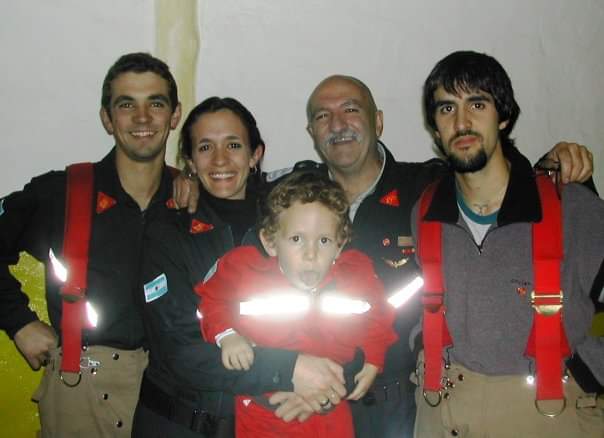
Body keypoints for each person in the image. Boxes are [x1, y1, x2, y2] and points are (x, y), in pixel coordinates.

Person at [262, 74, 596, 437]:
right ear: (311, 131)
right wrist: (190, 185)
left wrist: (552, 164)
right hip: (308, 397)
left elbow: (490, 175)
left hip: (405, 402)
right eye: (323, 116)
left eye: (351, 109)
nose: (338, 124)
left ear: (378, 121)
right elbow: (231, 190)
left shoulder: (428, 189)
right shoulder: (290, 197)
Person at [133, 97, 353, 437]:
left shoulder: (290, 224)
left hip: (278, 421)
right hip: (181, 424)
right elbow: (179, 349)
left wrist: (323, 388)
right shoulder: (168, 232)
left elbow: (343, 313)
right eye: (205, 147)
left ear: (255, 155)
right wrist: (289, 369)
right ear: (189, 161)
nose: (220, 159)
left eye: (234, 145)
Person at [412, 50, 604, 437]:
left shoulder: (573, 207)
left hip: (549, 413)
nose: (461, 122)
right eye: (446, 109)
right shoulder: (424, 212)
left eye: (477, 104)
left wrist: (588, 372)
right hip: (442, 410)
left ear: (504, 116)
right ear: (434, 127)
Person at [0, 52, 184, 437]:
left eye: (156, 103)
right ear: (107, 118)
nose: (143, 118)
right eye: (126, 105)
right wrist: (19, 322)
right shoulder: (62, 192)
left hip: (174, 390)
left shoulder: (190, 199)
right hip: (78, 389)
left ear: (175, 115)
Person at [197, 171, 397, 437]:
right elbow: (210, 301)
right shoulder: (243, 272)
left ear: (339, 246)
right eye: (296, 239)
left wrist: (373, 358)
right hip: (263, 413)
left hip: (330, 411)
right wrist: (227, 335)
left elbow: (379, 315)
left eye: (324, 240)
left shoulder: (357, 276)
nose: (311, 253)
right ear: (270, 241)